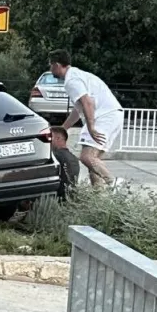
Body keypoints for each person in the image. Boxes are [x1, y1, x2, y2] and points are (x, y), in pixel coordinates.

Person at [50, 49, 125, 188]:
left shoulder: (71, 80)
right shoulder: (77, 75)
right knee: (93, 164)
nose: (50, 69)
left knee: (86, 157)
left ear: (57, 65)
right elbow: (78, 110)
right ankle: (97, 199)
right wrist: (63, 128)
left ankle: (113, 183)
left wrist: (91, 127)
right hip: (113, 115)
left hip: (104, 116)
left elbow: (88, 102)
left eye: (50, 65)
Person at [50, 126, 81, 200]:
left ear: (58, 138)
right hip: (70, 197)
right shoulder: (74, 158)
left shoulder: (55, 156)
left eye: (50, 137)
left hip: (57, 199)